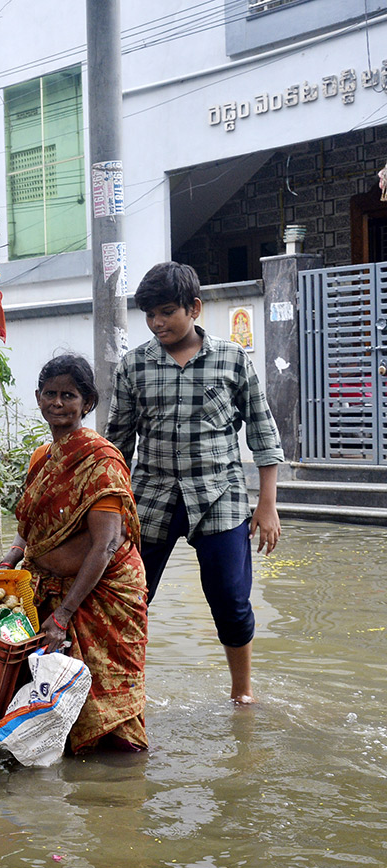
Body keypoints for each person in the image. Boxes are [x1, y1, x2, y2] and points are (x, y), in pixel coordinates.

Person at [105, 261, 284, 705]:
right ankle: (125, 693)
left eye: (167, 311)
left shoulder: (233, 359)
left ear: (195, 308)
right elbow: (116, 444)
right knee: (128, 599)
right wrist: (105, 511)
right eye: (149, 314)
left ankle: (241, 693)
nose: (157, 323)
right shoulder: (134, 366)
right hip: (149, 499)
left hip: (219, 497)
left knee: (231, 601)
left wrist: (267, 505)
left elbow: (262, 432)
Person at [0, 354, 148, 753]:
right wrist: (11, 558)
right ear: (38, 397)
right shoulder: (40, 459)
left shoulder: (101, 461)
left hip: (102, 595)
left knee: (109, 698)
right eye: (50, 394)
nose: (58, 403)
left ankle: (117, 787)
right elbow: (30, 528)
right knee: (46, 687)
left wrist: (63, 614)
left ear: (87, 402)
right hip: (46, 587)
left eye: (69, 395)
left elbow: (107, 544)